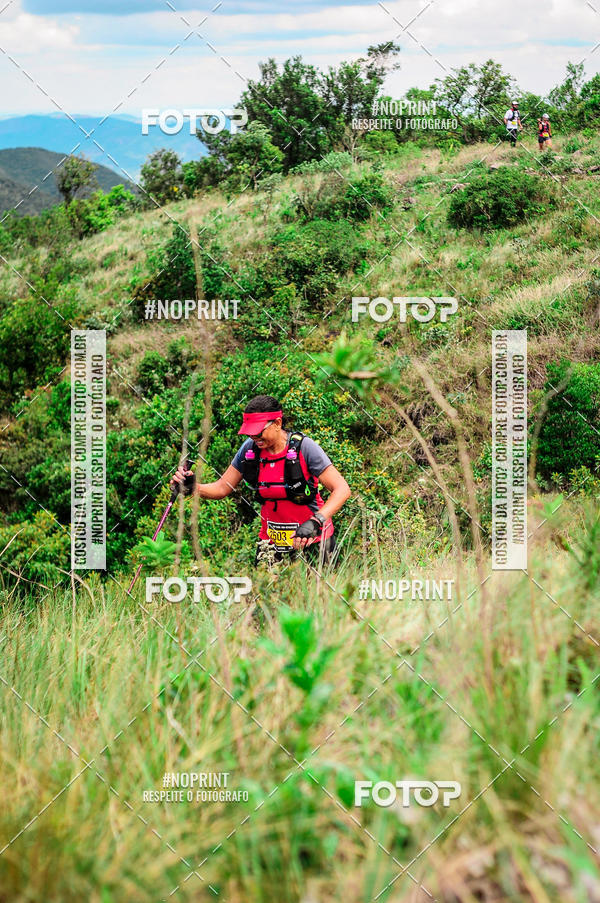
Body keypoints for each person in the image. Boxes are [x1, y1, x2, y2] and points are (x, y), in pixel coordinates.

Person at [170, 395, 351, 568]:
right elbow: (222, 487)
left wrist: (315, 521)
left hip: (313, 540)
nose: (253, 437)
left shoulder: (305, 448)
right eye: (250, 432)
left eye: (258, 431)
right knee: (264, 598)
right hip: (271, 544)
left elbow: (342, 489)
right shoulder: (250, 449)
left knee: (317, 598)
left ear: (277, 423)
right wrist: (194, 487)